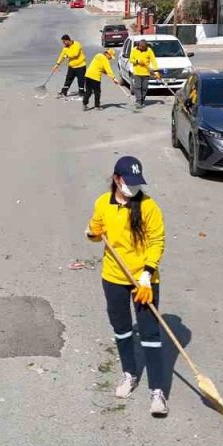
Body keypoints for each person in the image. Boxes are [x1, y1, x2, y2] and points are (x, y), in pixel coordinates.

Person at [86, 156, 169, 417]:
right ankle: (129, 373)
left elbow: (157, 241)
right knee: (121, 329)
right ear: (117, 179)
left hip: (144, 281)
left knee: (150, 335)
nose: (132, 188)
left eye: (136, 183)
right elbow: (94, 232)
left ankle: (157, 390)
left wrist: (147, 273)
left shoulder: (148, 206)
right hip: (113, 278)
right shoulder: (103, 203)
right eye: (128, 182)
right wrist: (92, 231)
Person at [128, 40, 162, 108]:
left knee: (144, 88)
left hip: (146, 72)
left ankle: (142, 100)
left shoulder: (149, 50)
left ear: (146, 46)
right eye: (141, 47)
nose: (142, 48)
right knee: (137, 87)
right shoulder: (134, 50)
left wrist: (156, 71)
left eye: (144, 47)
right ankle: (138, 101)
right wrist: (137, 61)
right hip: (137, 72)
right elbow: (131, 60)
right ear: (139, 45)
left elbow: (153, 60)